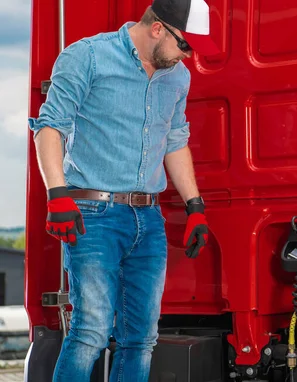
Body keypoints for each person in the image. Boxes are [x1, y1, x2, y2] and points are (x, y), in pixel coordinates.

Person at [27, 0, 219, 380]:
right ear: (158, 28)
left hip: (148, 220)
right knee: (90, 332)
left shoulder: (177, 77)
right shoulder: (89, 57)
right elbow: (51, 126)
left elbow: (175, 140)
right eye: (186, 46)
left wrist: (195, 205)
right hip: (93, 216)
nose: (188, 57)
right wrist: (57, 195)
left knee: (141, 338)